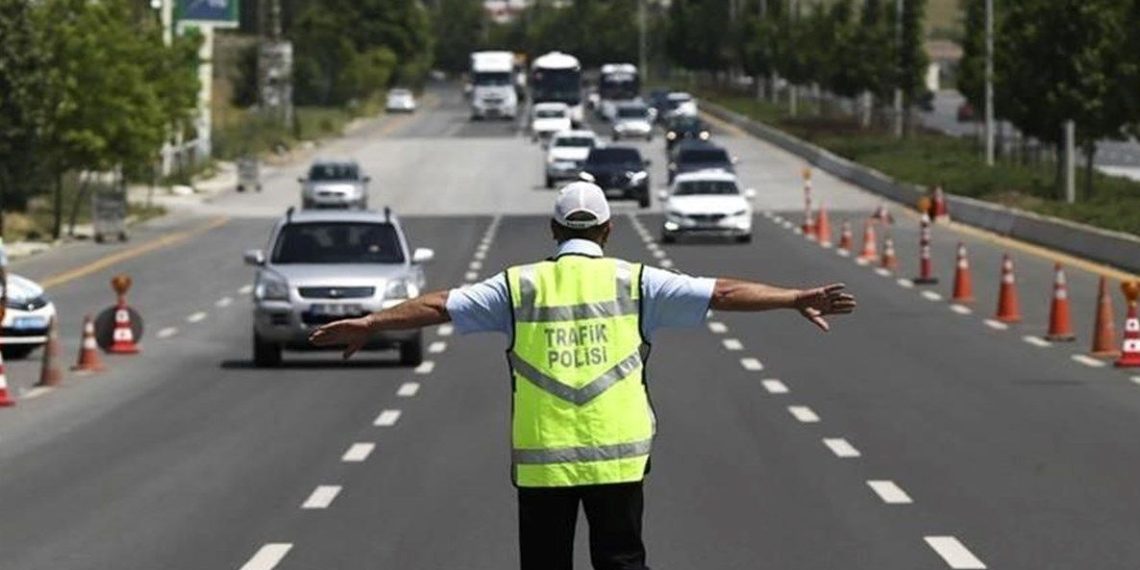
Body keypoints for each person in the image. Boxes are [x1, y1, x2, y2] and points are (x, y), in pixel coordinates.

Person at [310, 181, 856, 570]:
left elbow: (437, 306)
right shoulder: (637, 281)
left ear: (552, 230)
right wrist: (793, 298)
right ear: (608, 230)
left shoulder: (518, 286)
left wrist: (372, 321)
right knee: (621, 561)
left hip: (543, 462)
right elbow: (723, 293)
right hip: (618, 456)